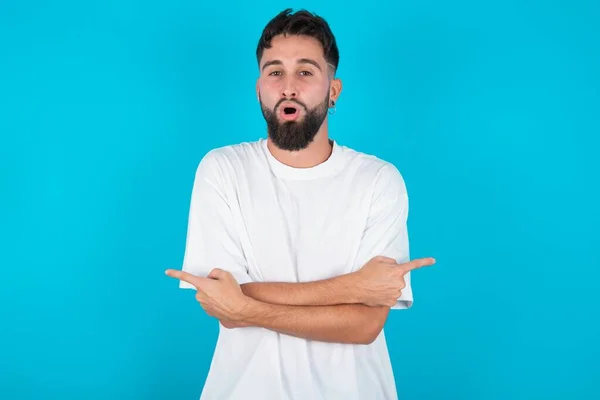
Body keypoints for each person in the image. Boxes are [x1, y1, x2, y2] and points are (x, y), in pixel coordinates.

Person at [166, 8, 436, 400]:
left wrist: (248, 308)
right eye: (275, 71)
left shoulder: (378, 179)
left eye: (305, 71)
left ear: (333, 90)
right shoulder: (222, 169)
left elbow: (364, 326)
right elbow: (221, 301)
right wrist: (354, 287)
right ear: (259, 87)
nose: (288, 87)